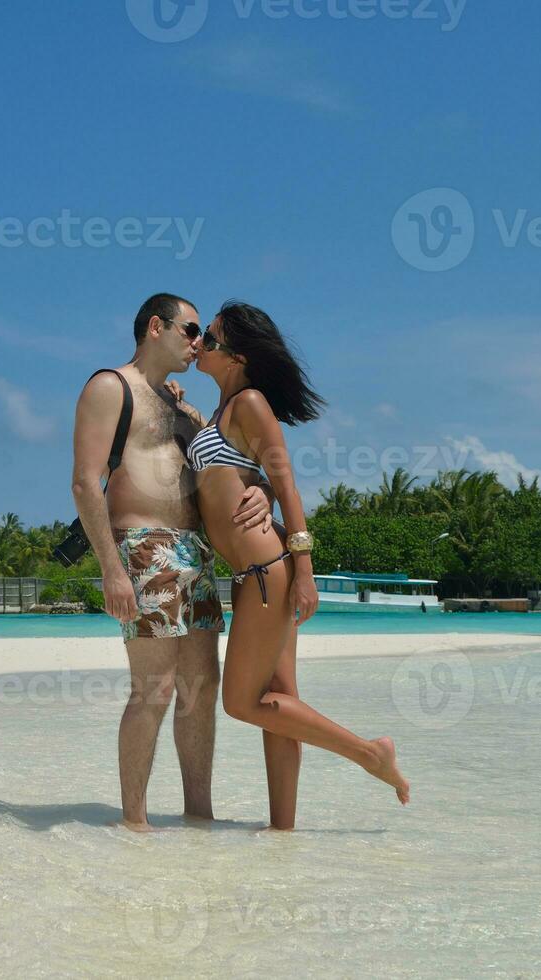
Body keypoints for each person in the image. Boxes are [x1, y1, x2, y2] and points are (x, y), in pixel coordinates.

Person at [170, 301, 410, 829]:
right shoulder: (222, 411)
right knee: (280, 703)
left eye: (207, 338)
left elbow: (285, 483)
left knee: (241, 702)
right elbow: (235, 474)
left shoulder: (250, 402)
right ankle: (283, 831)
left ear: (236, 356)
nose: (198, 346)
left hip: (266, 573)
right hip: (251, 575)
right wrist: (182, 410)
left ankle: (370, 754)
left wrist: (304, 570)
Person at [71, 293, 275, 832]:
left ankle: (198, 816)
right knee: (154, 690)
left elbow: (231, 470)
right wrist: (111, 570)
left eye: (203, 336)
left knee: (202, 689)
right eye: (190, 331)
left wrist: (265, 495)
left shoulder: (187, 411)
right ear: (155, 327)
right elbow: (84, 482)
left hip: (197, 554)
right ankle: (134, 822)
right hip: (143, 548)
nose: (199, 343)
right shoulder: (110, 387)